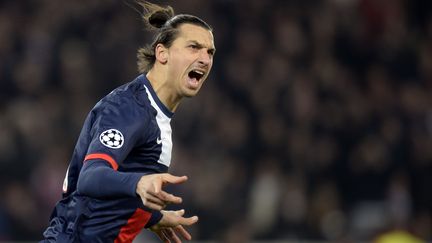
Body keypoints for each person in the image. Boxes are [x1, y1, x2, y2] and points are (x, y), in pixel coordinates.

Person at [41, 1, 216, 242]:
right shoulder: (130, 108)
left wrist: (150, 217)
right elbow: (90, 177)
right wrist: (138, 184)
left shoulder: (154, 112)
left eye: (210, 52)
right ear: (162, 53)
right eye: (194, 47)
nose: (205, 59)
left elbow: (110, 190)